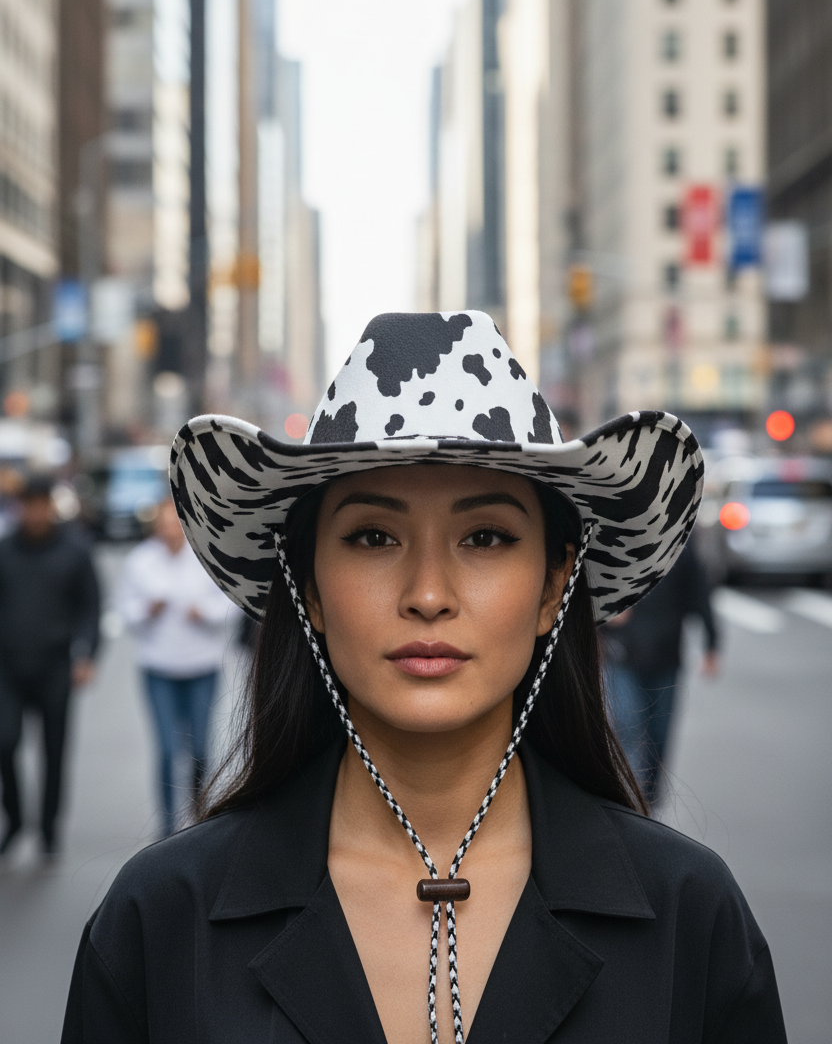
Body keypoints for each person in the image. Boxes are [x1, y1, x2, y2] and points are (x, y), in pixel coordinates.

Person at [63, 311, 786, 1043]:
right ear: (309, 585)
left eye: (486, 537)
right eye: (373, 537)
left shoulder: (692, 918)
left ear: (551, 586)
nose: (429, 592)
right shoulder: (158, 923)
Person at [117, 497, 234, 836]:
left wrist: (206, 613)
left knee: (199, 748)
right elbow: (124, 611)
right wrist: (146, 611)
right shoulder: (141, 562)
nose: (169, 529)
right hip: (159, 669)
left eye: (175, 523)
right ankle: (167, 828)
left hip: (201, 667)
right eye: (163, 523)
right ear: (155, 526)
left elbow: (231, 603)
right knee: (168, 750)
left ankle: (199, 818)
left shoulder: (205, 557)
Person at [0, 472, 100, 857]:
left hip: (55, 665)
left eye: (41, 504)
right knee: (4, 741)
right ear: (20, 507)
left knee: (54, 749)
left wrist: (86, 652)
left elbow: (89, 606)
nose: (35, 512)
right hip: (8, 667)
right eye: (28, 505)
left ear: (51, 507)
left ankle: (47, 826)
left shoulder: (73, 550)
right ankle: (14, 817)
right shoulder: (5, 550)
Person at [601, 536, 719, 807]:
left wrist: (711, 643)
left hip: (666, 657)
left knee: (659, 736)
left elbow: (699, 593)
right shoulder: (618, 537)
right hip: (623, 655)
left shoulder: (681, 546)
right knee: (628, 726)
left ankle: (648, 803)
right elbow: (588, 584)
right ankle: (631, 802)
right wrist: (608, 608)